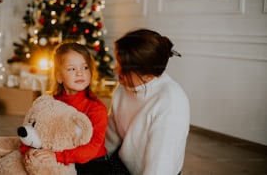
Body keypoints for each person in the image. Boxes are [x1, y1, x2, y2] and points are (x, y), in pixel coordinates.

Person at [106, 29, 190, 175]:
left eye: (124, 69)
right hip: (124, 164)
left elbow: (160, 168)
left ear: (148, 77)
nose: (115, 71)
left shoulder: (171, 103)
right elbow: (110, 137)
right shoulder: (123, 88)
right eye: (118, 63)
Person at [21, 42, 110, 174]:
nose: (80, 73)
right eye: (71, 69)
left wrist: (58, 156)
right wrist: (28, 149)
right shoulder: (50, 103)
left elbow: (93, 148)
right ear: (59, 76)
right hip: (59, 158)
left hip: (91, 163)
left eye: (85, 67)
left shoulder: (96, 108)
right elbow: (33, 128)